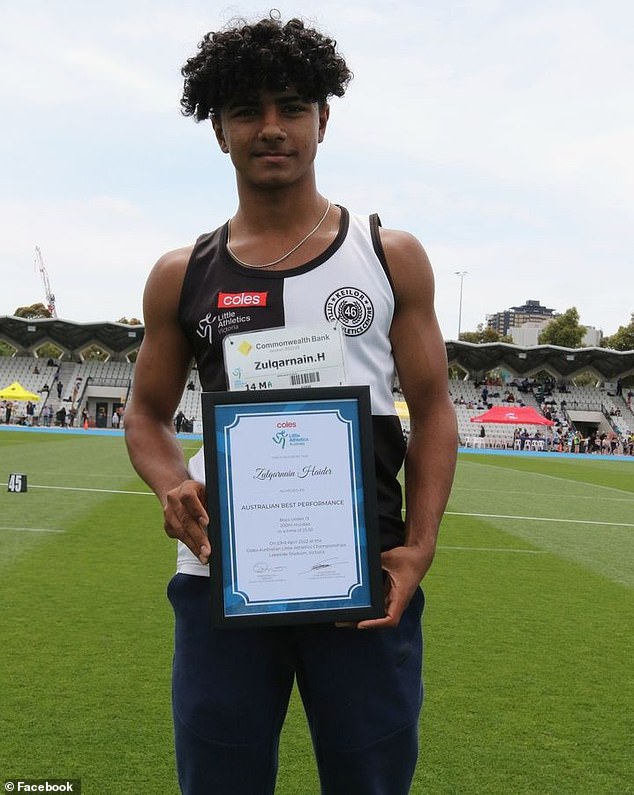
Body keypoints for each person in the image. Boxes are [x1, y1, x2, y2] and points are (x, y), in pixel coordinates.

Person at [124, 13, 457, 795]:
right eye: (246, 110)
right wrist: (171, 481)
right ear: (219, 130)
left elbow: (435, 407)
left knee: (370, 780)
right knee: (221, 781)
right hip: (223, 578)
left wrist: (420, 545)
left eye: (291, 106)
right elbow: (144, 412)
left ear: (323, 119)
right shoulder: (183, 272)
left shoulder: (388, 255)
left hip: (364, 575)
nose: (271, 128)